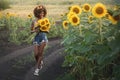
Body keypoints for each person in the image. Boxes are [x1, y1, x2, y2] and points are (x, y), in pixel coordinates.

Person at [31, 5, 48, 76]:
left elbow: (48, 30)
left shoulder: (45, 20)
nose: (42, 14)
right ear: (36, 13)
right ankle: (40, 62)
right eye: (40, 13)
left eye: (43, 13)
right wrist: (35, 30)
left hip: (43, 38)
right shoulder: (34, 21)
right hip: (36, 38)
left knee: (40, 54)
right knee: (36, 54)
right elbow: (31, 31)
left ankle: (37, 70)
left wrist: (43, 29)